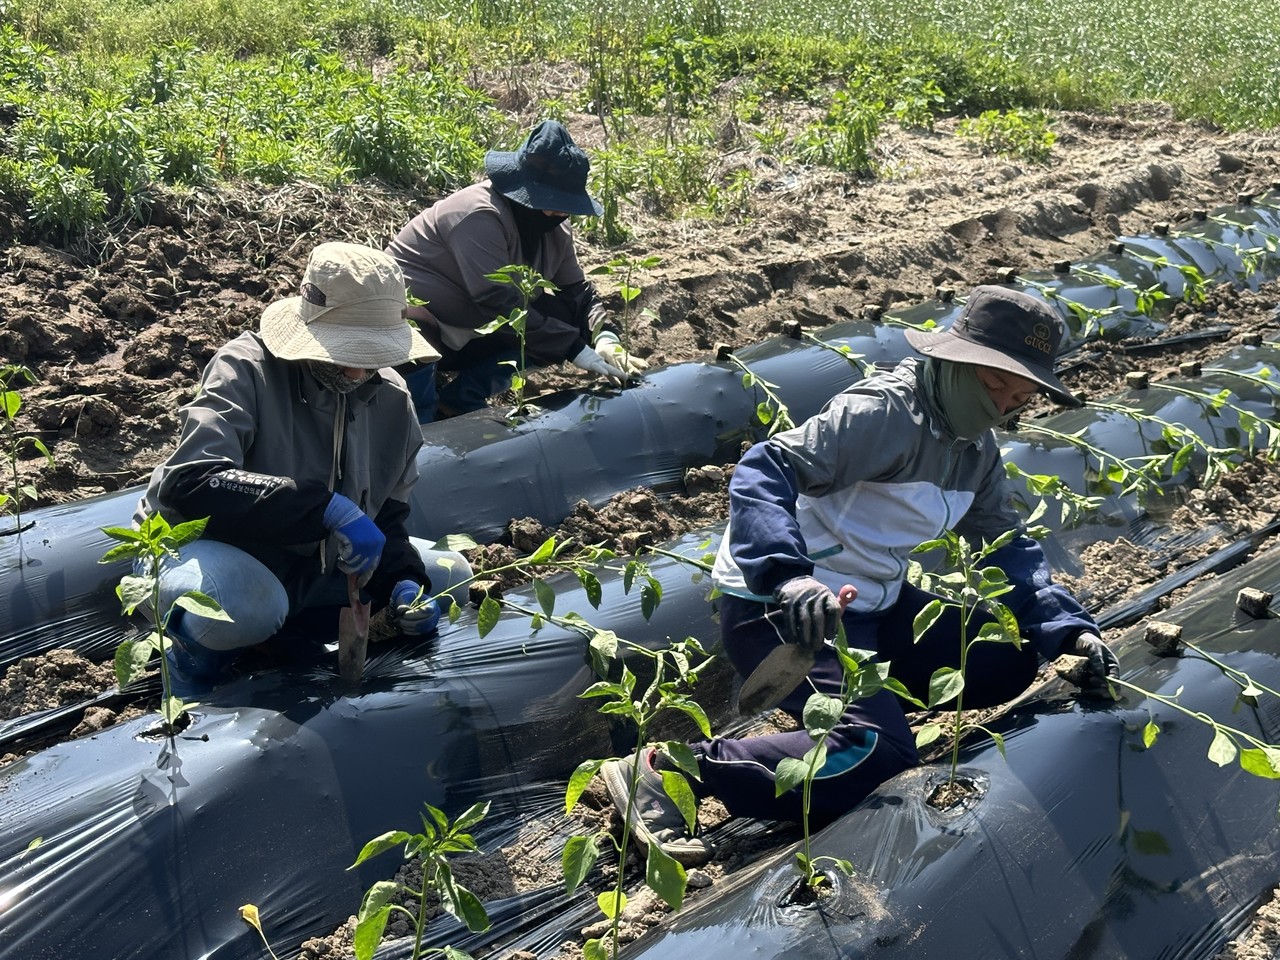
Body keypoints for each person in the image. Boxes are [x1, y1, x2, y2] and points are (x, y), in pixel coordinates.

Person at [601, 285, 1119, 865]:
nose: (1002, 404)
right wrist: (787, 575)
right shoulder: (885, 415)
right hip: (788, 611)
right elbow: (764, 468)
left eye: (1019, 395)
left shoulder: (975, 451)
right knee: (878, 757)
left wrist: (1068, 627)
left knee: (1009, 654)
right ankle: (671, 770)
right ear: (950, 361)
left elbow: (1006, 547)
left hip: (872, 605)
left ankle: (868, 711)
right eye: (993, 383)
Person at [133, 241, 472, 684]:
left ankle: (283, 638)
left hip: (313, 565)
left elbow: (387, 516)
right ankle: (193, 661)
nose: (357, 372)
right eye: (347, 353)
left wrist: (404, 581)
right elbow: (193, 483)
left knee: (450, 574)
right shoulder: (246, 369)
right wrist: (325, 508)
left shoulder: (391, 398)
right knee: (244, 604)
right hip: (208, 551)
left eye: (371, 356)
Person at [386, 119, 647, 422]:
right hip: (427, 329)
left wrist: (605, 337)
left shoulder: (555, 228)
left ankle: (460, 399)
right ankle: (420, 422)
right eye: (552, 203)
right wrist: (574, 348)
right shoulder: (477, 213)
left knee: (561, 318)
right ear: (524, 193)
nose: (559, 213)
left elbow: (577, 293)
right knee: (411, 328)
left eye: (565, 206)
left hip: (478, 331)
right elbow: (494, 297)